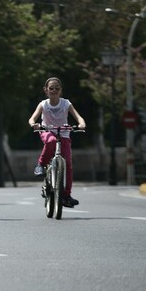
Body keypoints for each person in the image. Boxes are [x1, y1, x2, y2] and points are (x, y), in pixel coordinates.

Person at [28, 77, 86, 207]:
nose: (54, 90)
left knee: (68, 164)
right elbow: (32, 119)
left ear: (61, 91)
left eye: (57, 88)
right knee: (51, 141)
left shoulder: (66, 103)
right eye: (51, 88)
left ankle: (66, 195)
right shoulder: (43, 104)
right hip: (47, 131)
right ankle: (41, 165)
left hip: (64, 133)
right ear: (46, 90)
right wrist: (34, 124)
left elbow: (78, 116)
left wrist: (81, 123)